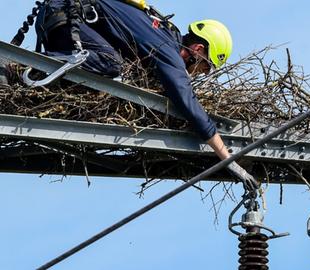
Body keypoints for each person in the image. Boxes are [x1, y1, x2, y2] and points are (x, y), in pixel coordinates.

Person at [34, 0, 258, 190]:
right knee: (112, 64)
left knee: (109, 69)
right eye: (205, 67)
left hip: (65, 19)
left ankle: (32, 68)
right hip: (67, 20)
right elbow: (187, 101)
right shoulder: (168, 48)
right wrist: (228, 160)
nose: (199, 74)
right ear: (198, 50)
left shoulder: (162, 34)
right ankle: (25, 66)